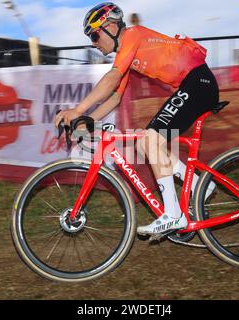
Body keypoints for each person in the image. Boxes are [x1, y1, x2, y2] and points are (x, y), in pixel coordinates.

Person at [54, 2, 219, 237]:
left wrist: (78, 110)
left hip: (198, 82)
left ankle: (173, 215)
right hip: (194, 85)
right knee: (146, 142)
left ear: (110, 26)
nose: (93, 42)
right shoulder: (126, 55)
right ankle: (199, 187)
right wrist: (85, 121)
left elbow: (112, 78)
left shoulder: (132, 34)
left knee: (151, 140)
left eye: (94, 35)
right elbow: (113, 98)